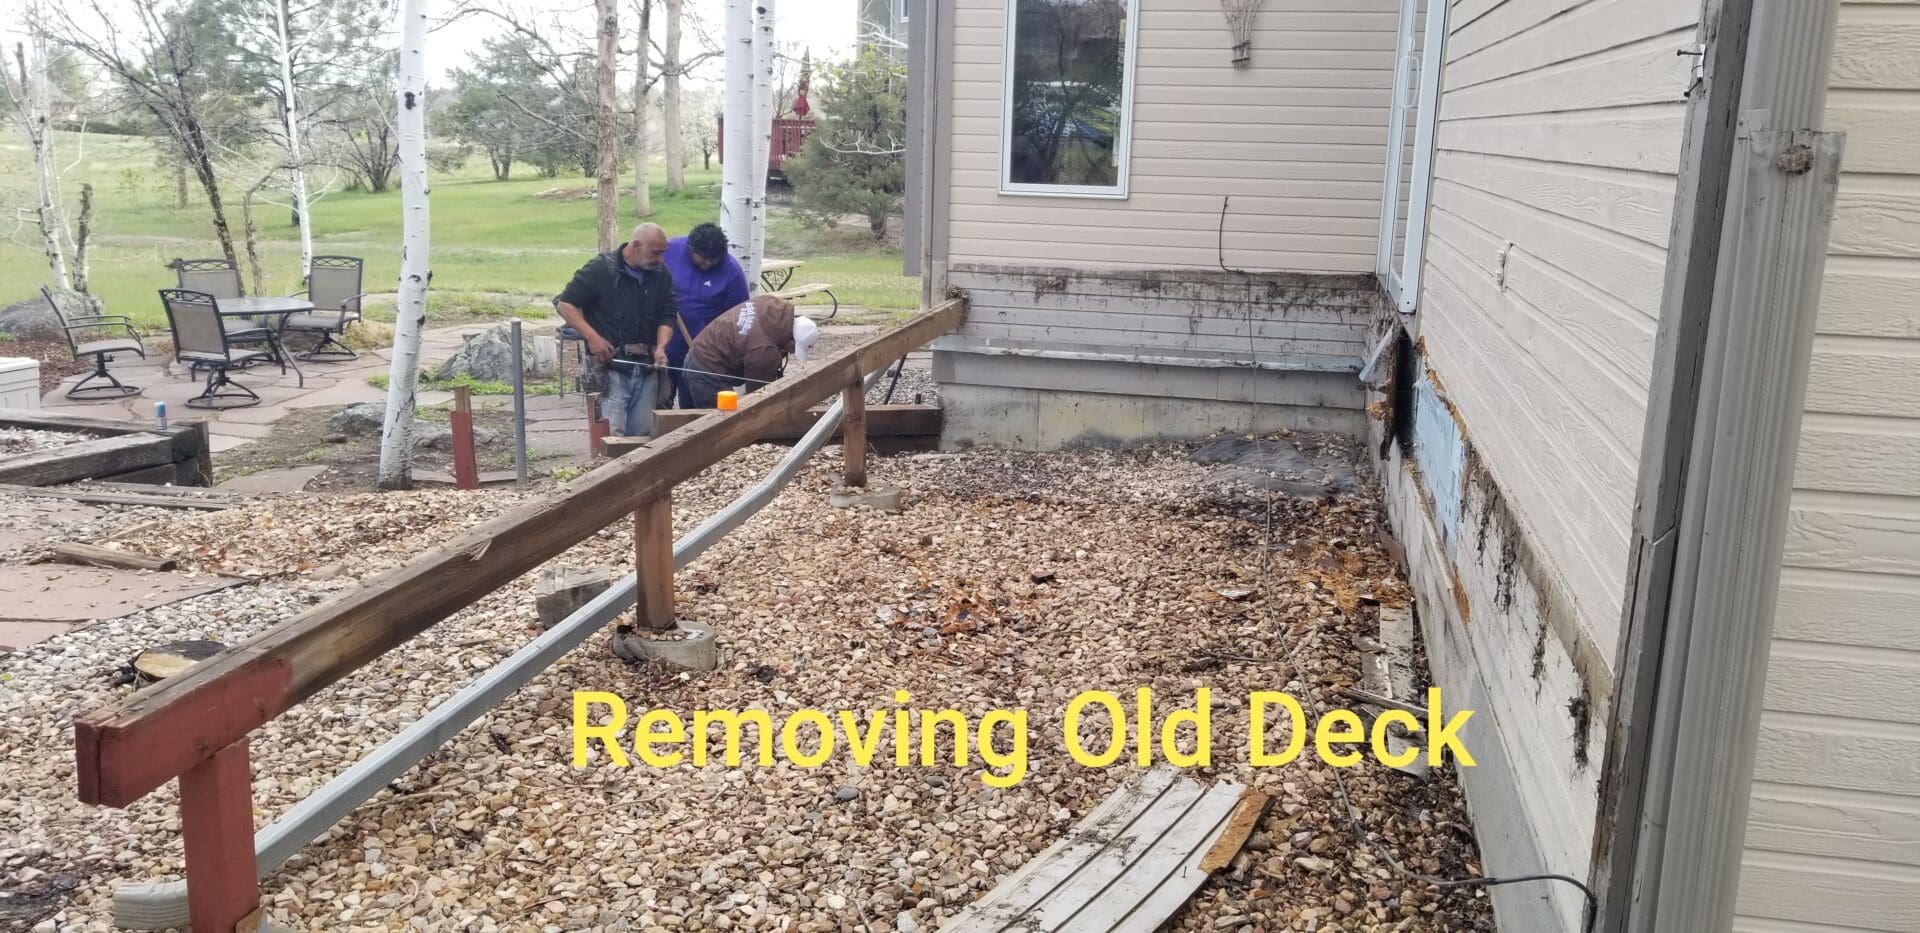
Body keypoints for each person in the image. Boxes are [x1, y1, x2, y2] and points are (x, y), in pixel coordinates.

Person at [554, 223, 678, 437]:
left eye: (663, 253)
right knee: (611, 438)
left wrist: (661, 347)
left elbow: (668, 314)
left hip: (647, 367)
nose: (660, 259)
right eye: (656, 252)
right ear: (636, 245)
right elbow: (566, 304)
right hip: (610, 367)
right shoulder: (601, 269)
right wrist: (592, 337)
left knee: (643, 438)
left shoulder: (661, 274)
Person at [661, 223, 752, 408]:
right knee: (659, 406)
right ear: (691, 248)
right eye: (703, 260)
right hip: (664, 350)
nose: (708, 264)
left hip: (702, 357)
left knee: (694, 409)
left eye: (713, 260)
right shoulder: (668, 253)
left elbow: (738, 319)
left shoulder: (732, 272)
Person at [681, 295, 820, 408]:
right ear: (791, 340)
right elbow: (758, 399)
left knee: (690, 420)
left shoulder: (768, 303)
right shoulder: (764, 351)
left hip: (699, 350)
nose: (790, 352)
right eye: (792, 349)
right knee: (720, 425)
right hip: (707, 370)